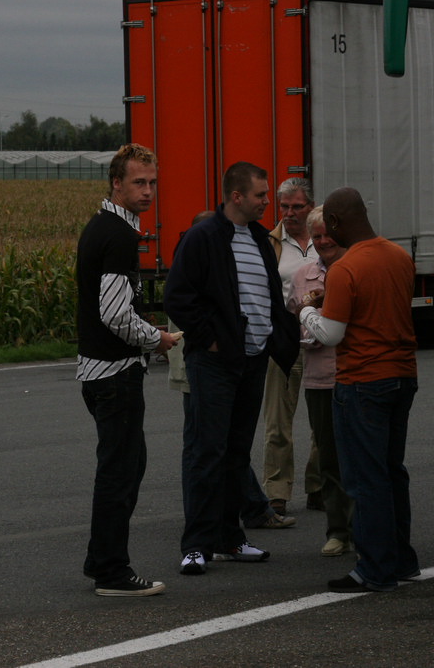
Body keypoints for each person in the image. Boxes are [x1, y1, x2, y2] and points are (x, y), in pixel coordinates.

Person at [163, 161, 299, 576]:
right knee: (208, 452)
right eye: (261, 195)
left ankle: (230, 538)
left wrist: (276, 338)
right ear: (236, 196)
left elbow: (268, 296)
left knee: (236, 453)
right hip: (215, 362)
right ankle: (196, 545)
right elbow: (177, 295)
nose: (267, 202)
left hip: (252, 360)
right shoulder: (203, 237)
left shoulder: (259, 238)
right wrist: (210, 339)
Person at [297, 187, 419, 592]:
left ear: (334, 222)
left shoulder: (346, 268)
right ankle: (401, 559)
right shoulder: (399, 257)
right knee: (391, 471)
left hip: (362, 380)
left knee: (365, 477)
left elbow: (331, 334)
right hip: (402, 375)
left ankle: (375, 568)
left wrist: (307, 310)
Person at [76, 143, 177, 598]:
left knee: (128, 465)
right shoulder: (117, 234)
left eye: (152, 182)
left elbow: (114, 308)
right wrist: (157, 339)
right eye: (138, 182)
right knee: (120, 472)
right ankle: (112, 572)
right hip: (114, 372)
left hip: (101, 369)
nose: (148, 190)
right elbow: (115, 314)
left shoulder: (104, 226)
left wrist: (147, 333)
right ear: (116, 183)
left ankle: (101, 559)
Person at [289, 206, 355, 556]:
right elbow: (294, 320)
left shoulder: (356, 268)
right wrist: (309, 328)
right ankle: (338, 531)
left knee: (358, 457)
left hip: (355, 374)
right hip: (319, 379)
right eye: (316, 236)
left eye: (328, 234)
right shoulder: (303, 275)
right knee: (328, 460)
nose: (323, 241)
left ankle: (363, 528)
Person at [262, 177, 322, 516]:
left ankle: (318, 486)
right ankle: (277, 492)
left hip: (322, 341)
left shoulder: (324, 239)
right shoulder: (270, 243)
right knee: (277, 423)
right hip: (284, 341)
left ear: (310, 207)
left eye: (297, 207)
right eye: (284, 207)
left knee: (323, 421)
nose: (289, 213)